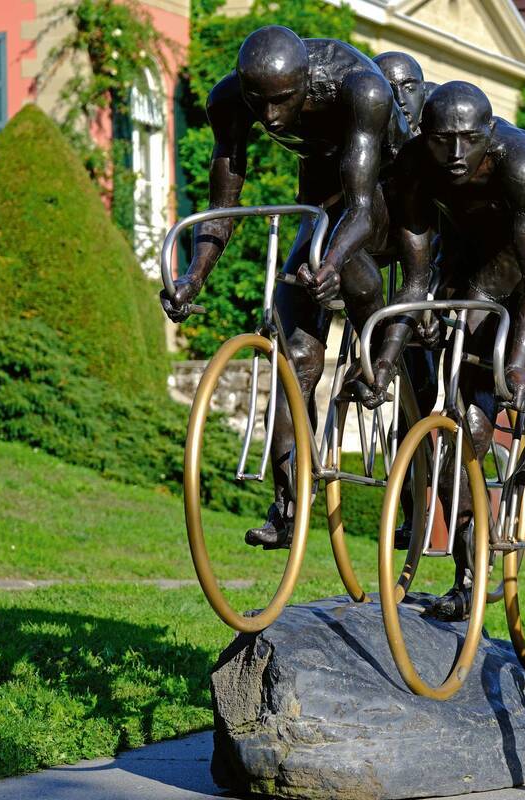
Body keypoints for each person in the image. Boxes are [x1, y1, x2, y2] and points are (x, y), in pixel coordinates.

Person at [350, 81, 525, 619]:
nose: (457, 156)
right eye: (445, 141)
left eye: (469, 140)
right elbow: (416, 280)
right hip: (479, 247)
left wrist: (516, 362)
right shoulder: (418, 167)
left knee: (517, 327)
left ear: (490, 134)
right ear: (427, 136)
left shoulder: (522, 163)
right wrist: (381, 359)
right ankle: (470, 573)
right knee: (457, 398)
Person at [160, 26, 409, 549]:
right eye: (260, 102)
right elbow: (223, 208)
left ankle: (386, 360)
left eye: (282, 101)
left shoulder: (357, 88)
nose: (270, 117)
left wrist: (334, 261)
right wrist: (192, 277)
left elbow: (361, 211)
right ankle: (289, 501)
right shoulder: (229, 101)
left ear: (307, 82)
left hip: (387, 189)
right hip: (319, 197)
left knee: (347, 267)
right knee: (293, 352)